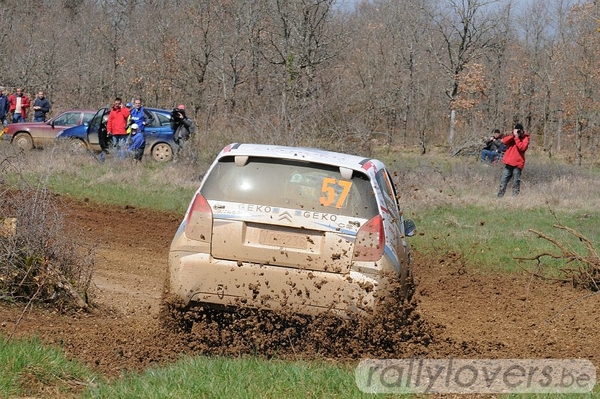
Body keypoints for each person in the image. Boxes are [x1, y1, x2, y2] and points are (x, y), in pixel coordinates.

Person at [497, 123, 530, 197]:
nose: (518, 132)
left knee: (516, 182)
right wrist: (513, 135)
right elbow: (504, 141)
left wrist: (517, 138)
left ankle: (514, 198)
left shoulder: (525, 138)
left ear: (522, 131)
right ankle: (499, 197)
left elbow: (522, 148)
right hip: (508, 163)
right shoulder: (512, 137)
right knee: (503, 181)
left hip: (518, 164)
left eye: (519, 131)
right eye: (516, 130)